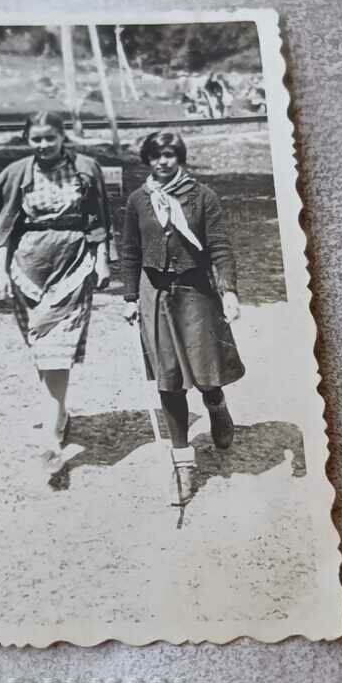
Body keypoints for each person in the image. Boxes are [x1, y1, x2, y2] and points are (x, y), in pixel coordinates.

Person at [0, 111, 112, 473]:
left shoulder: (87, 168)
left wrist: (104, 259)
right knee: (42, 345)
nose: (43, 145)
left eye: (50, 138)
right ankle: (58, 413)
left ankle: (50, 434)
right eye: (36, 139)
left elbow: (99, 218)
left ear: (63, 136)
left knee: (57, 348)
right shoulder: (16, 174)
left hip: (75, 262)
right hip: (27, 267)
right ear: (27, 140)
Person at [121, 130, 244, 501]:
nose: (163, 162)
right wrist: (130, 297)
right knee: (169, 379)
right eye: (156, 156)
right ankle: (183, 467)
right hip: (154, 295)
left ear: (180, 157)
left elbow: (219, 246)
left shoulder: (201, 196)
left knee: (205, 372)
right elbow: (129, 250)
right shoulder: (138, 200)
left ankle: (217, 407)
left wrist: (229, 291)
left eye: (170, 154)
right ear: (147, 160)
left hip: (195, 293)